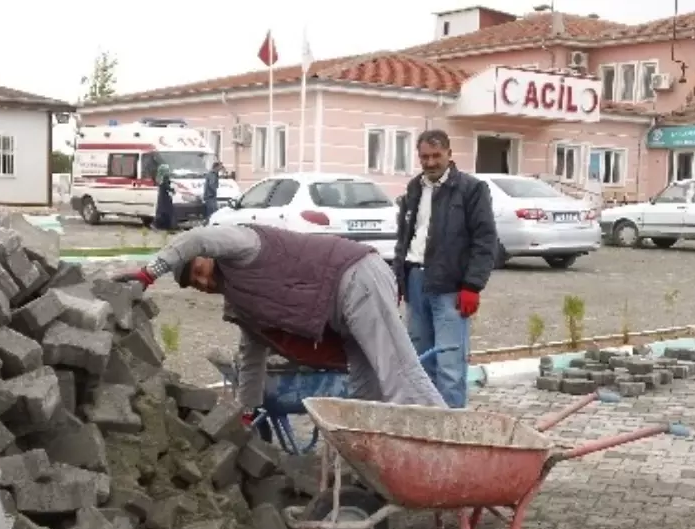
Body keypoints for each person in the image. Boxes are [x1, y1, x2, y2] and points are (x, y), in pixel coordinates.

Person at [112, 224, 447, 411]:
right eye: (196, 284)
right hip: (340, 315)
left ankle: (445, 450)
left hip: (355, 278)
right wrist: (246, 412)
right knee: (366, 392)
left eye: (199, 270)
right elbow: (251, 358)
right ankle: (389, 466)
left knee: (398, 372)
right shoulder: (241, 303)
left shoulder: (244, 245)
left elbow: (195, 237)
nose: (203, 282)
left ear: (209, 255)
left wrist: (149, 273)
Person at [394, 130, 498, 409]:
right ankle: (425, 421)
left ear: (450, 154)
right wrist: (399, 281)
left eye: (436, 156)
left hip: (450, 288)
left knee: (450, 363)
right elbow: (404, 238)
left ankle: (451, 427)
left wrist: (472, 286)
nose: (430, 162)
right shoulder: (414, 188)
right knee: (421, 359)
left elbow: (485, 240)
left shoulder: (471, 189)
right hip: (416, 281)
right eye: (424, 157)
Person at [153, 164, 175, 231]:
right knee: (168, 212)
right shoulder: (165, 177)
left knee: (161, 212)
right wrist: (172, 190)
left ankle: (158, 225)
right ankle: (167, 226)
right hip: (165, 197)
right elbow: (166, 186)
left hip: (161, 197)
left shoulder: (159, 177)